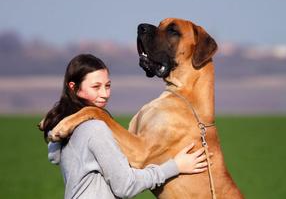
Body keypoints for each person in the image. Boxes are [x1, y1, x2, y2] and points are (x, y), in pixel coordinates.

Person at [41, 54, 208, 199]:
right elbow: (126, 186)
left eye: (107, 86)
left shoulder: (67, 129)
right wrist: (175, 166)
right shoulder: (94, 128)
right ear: (74, 88)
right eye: (96, 87)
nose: (105, 94)